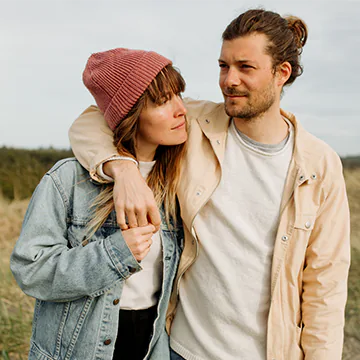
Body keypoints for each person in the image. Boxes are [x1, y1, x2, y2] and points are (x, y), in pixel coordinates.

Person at [68, 9, 351, 360]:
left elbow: (326, 286)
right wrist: (123, 170)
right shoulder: (194, 125)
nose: (229, 80)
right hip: (181, 349)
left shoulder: (319, 165)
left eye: (245, 67)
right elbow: (92, 119)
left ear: (282, 73)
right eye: (223, 66)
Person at [10, 48, 188, 360]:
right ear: (130, 114)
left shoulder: (176, 181)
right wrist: (112, 255)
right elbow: (30, 268)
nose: (181, 109)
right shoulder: (69, 179)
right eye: (162, 100)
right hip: (80, 348)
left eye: (179, 95)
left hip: (151, 345)